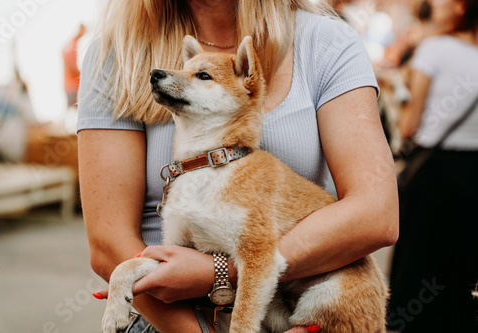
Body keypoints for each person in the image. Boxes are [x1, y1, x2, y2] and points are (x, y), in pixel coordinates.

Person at [77, 1, 398, 332]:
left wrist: (217, 272)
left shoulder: (327, 42)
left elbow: (376, 215)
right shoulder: (116, 52)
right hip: (167, 319)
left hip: (298, 311)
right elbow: (107, 242)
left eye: (201, 76)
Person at [389, 0, 478, 331]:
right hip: (473, 172)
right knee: (464, 261)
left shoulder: (435, 49)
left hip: (435, 173)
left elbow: (410, 125)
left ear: (462, 8)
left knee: (421, 260)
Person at [62, 24, 86, 108]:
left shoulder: (70, 44)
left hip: (69, 84)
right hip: (71, 85)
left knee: (73, 110)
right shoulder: (72, 46)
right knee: (74, 110)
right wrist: (84, 76)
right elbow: (72, 66)